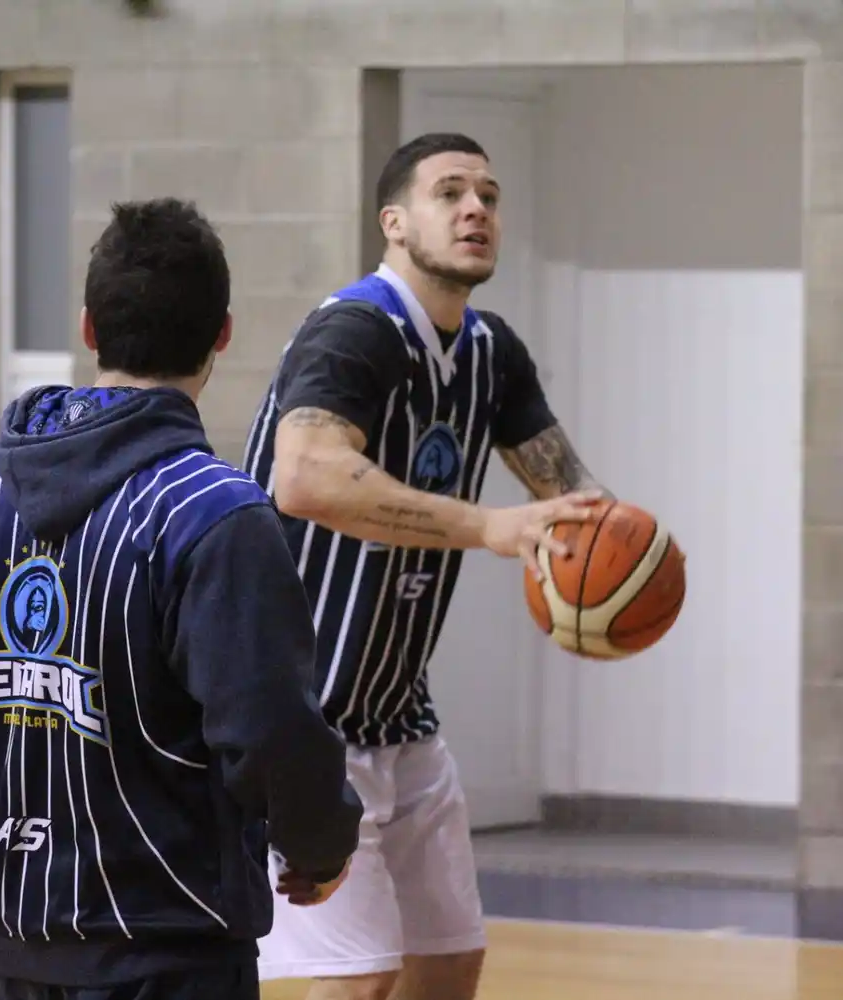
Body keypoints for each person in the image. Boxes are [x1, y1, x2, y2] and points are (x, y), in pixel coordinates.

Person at [0, 197, 364, 1000]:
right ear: (223, 335)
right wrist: (320, 841)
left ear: (89, 327)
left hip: (14, 946)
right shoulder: (217, 513)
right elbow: (269, 728)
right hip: (172, 947)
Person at [241, 133, 608, 999]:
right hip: (302, 709)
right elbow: (305, 476)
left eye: (488, 193)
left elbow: (574, 499)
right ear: (395, 223)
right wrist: (488, 527)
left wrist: (621, 559)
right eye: (450, 193)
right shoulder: (355, 331)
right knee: (359, 977)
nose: (477, 208)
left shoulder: (491, 352)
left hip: (397, 713)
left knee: (446, 967)